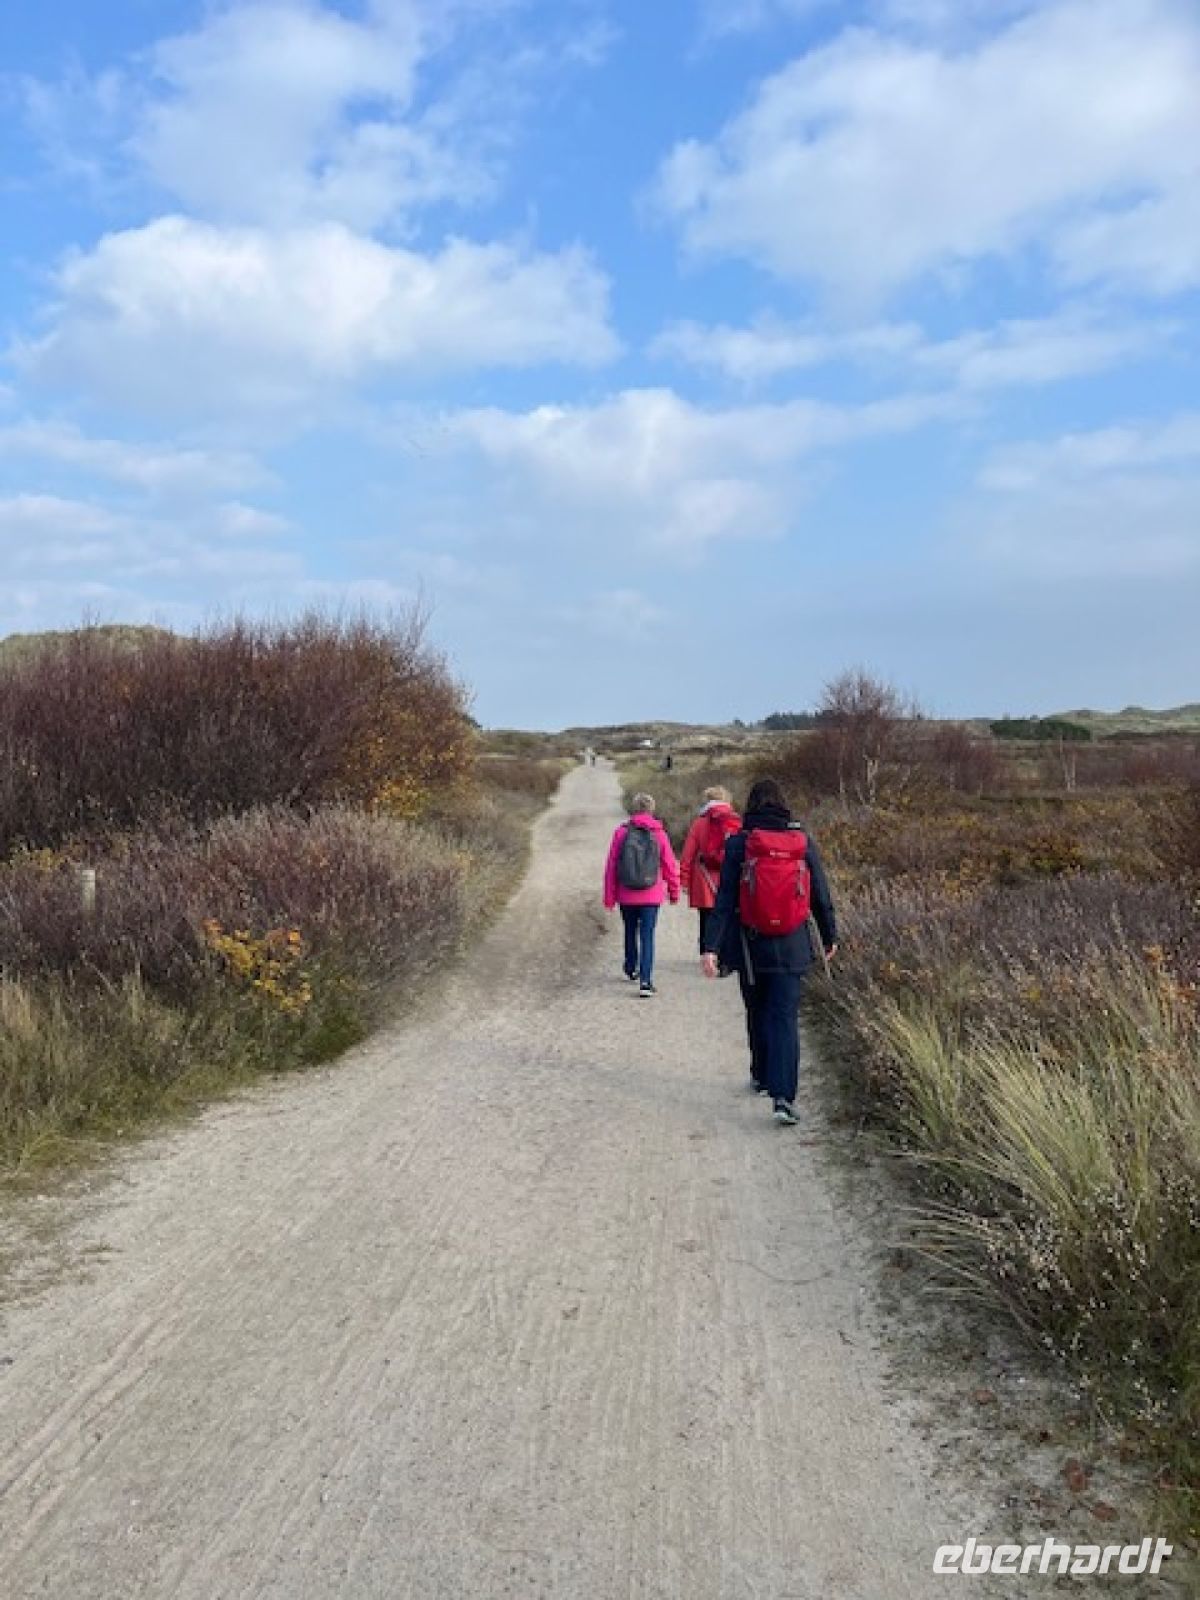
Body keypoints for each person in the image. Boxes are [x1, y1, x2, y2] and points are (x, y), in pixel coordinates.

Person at [701, 777, 837, 1125]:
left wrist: (710, 947)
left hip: (750, 946)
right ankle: (784, 1098)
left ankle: (761, 1074)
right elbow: (820, 893)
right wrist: (829, 936)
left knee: (757, 1010)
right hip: (792, 945)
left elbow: (725, 899)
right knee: (785, 1018)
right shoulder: (801, 839)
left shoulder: (740, 843)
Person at [603, 792, 680, 997]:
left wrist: (609, 897)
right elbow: (670, 865)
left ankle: (631, 967)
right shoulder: (659, 833)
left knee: (630, 930)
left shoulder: (621, 833)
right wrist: (674, 891)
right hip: (651, 895)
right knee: (647, 935)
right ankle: (646, 981)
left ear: (633, 809)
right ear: (651, 809)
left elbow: (611, 866)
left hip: (626, 894)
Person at [678, 786, 741, 953]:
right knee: (726, 915)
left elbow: (687, 854)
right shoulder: (735, 821)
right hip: (728, 876)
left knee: (705, 916)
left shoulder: (699, 823)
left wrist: (684, 879)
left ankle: (706, 951)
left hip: (703, 877)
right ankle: (723, 953)